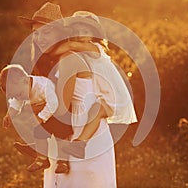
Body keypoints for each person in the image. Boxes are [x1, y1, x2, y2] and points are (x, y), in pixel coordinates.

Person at [18, 2, 118, 187]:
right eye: (36, 33)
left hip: (78, 129)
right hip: (71, 127)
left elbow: (61, 106)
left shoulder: (68, 59)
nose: (39, 38)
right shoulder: (56, 59)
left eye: (46, 32)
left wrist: (38, 114)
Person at [51, 11, 138, 159]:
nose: (81, 34)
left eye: (85, 31)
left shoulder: (95, 47)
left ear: (94, 34)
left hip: (112, 95)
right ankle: (78, 145)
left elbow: (70, 44)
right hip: (100, 93)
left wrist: (49, 53)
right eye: (78, 31)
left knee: (97, 111)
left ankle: (80, 143)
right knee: (94, 112)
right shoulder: (81, 51)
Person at [0, 64, 72, 174]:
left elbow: (53, 103)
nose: (20, 98)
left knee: (61, 134)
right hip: (44, 112)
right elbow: (16, 103)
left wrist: (41, 117)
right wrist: (9, 115)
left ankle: (63, 161)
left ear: (25, 80)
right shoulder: (21, 89)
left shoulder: (43, 85)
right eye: (16, 96)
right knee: (39, 133)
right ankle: (42, 159)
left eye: (19, 94)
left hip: (58, 112)